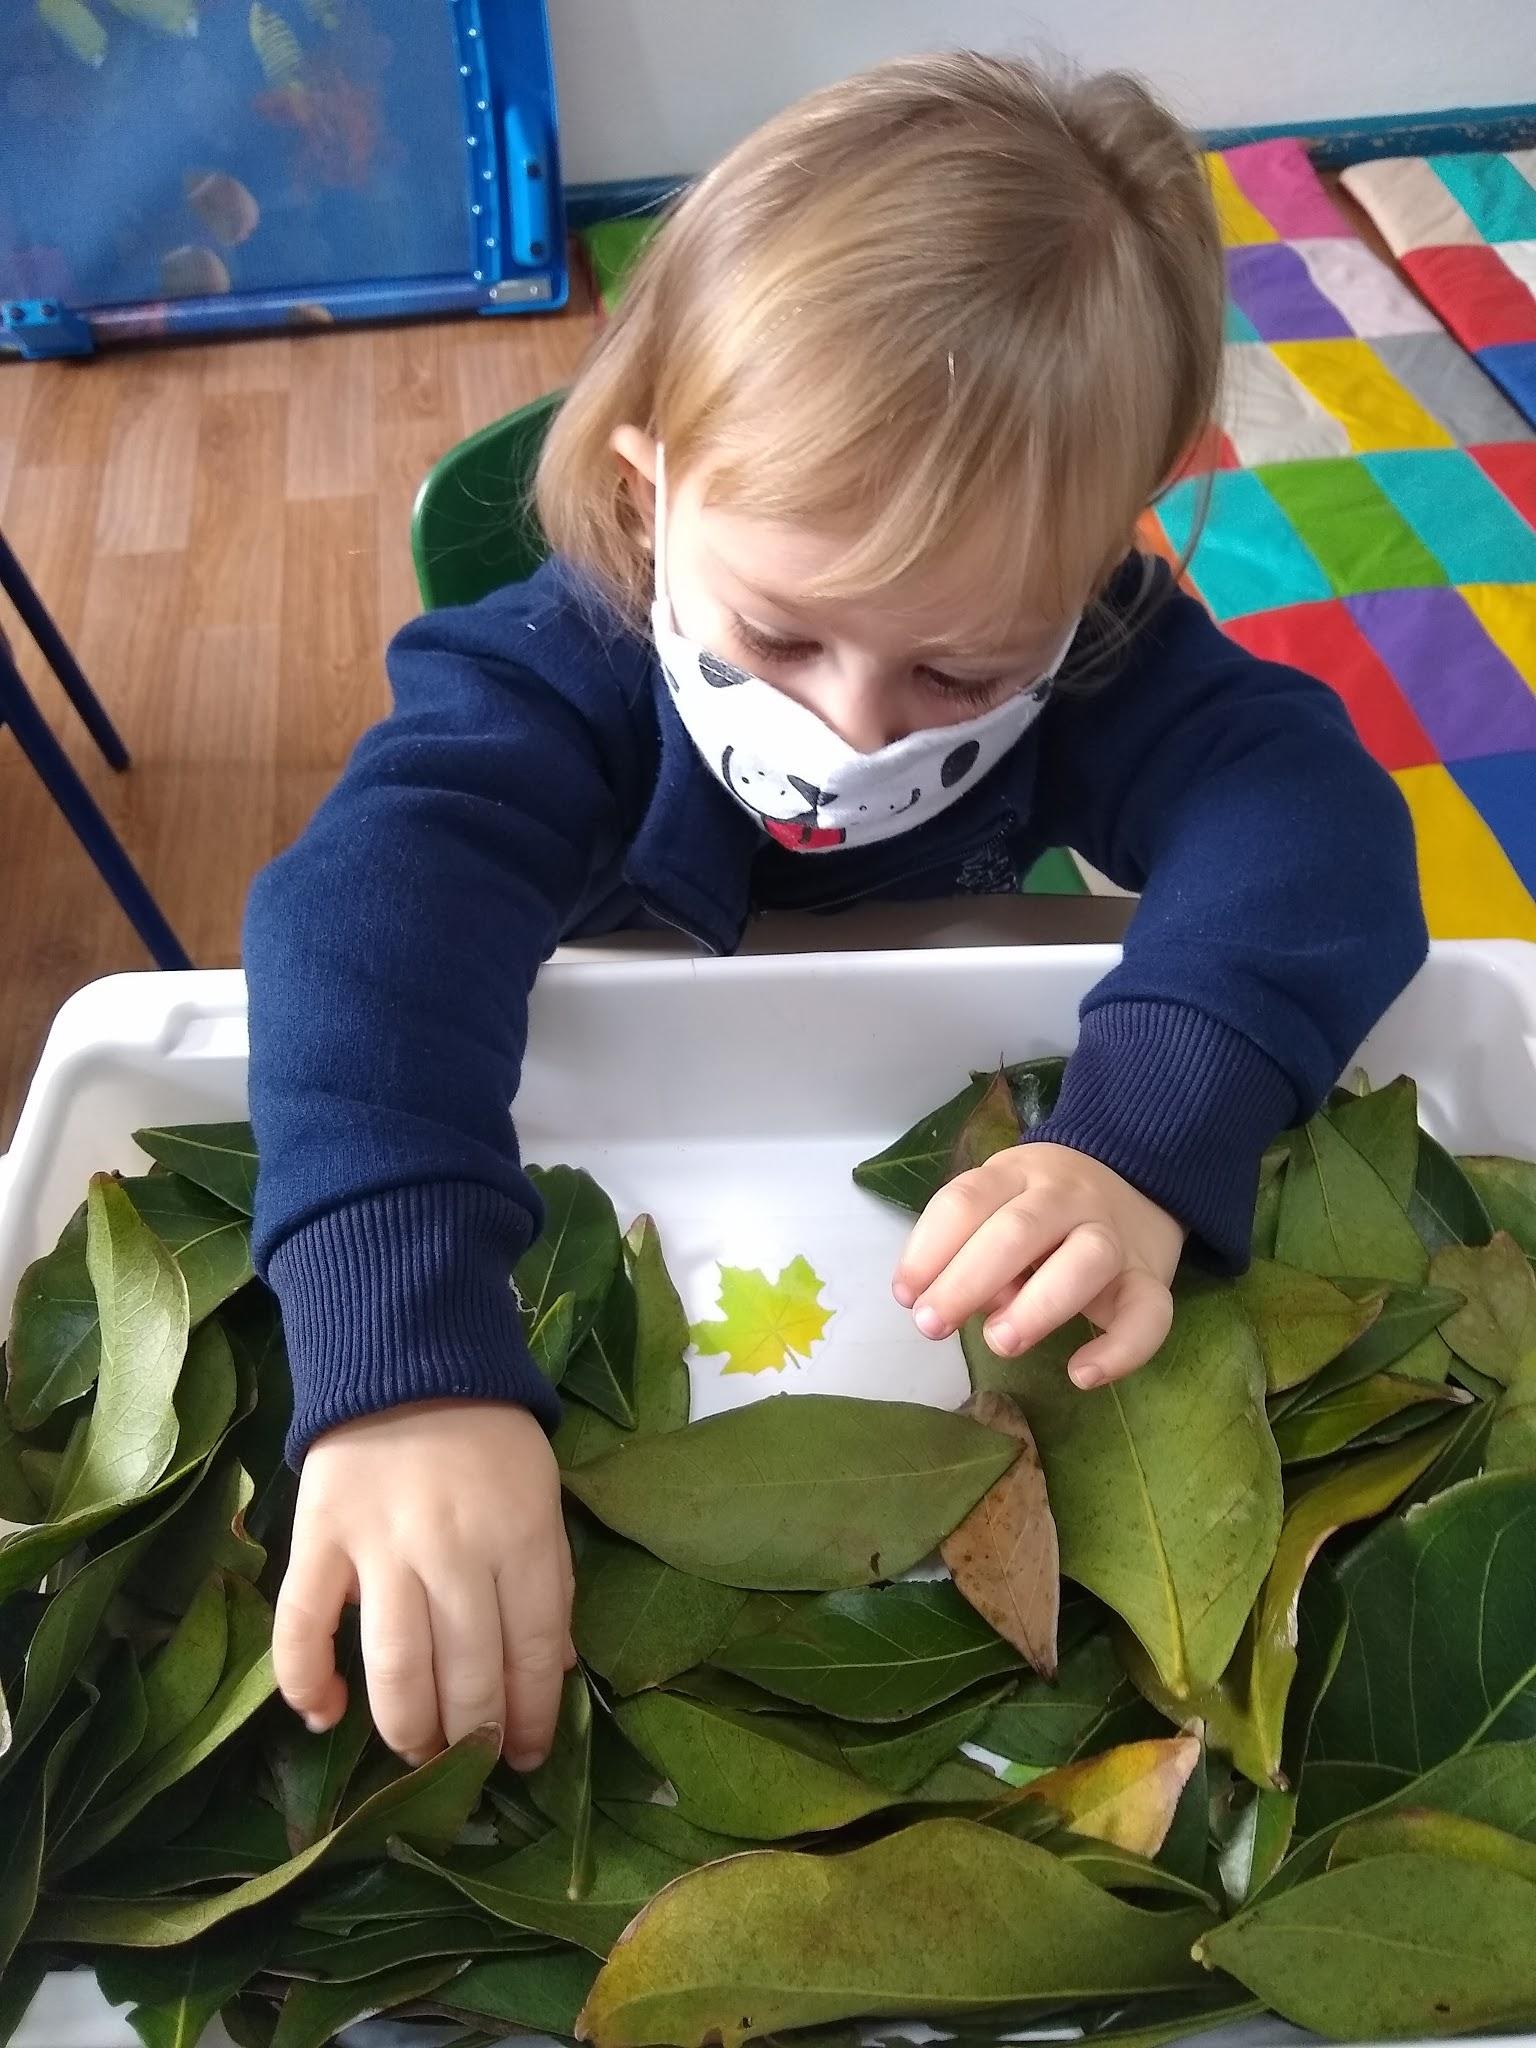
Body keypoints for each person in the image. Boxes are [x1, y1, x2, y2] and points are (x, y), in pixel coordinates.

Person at [244, 53, 1427, 1777]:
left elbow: (1316, 828)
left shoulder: (1107, 650)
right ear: (651, 493)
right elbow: (365, 921)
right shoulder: (556, 673)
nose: (858, 724)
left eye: (961, 671)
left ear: (1099, 568)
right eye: (782, 634)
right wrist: (408, 1361)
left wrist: (1147, 1135)